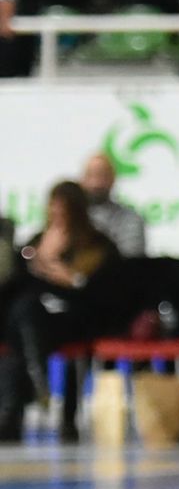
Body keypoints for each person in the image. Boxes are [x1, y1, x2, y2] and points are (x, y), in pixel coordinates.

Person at [0, 181, 127, 443]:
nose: (57, 215)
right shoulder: (36, 241)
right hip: (37, 319)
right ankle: (21, 403)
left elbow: (103, 293)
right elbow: (18, 286)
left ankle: (22, 404)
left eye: (64, 209)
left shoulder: (97, 244)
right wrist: (38, 261)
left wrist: (69, 276)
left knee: (23, 327)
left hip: (76, 317)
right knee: (22, 319)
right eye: (53, 208)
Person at [80, 151, 146, 258]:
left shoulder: (130, 218)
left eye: (101, 175)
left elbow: (131, 258)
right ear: (82, 179)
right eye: (90, 175)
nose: (95, 183)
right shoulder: (69, 217)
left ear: (113, 178)